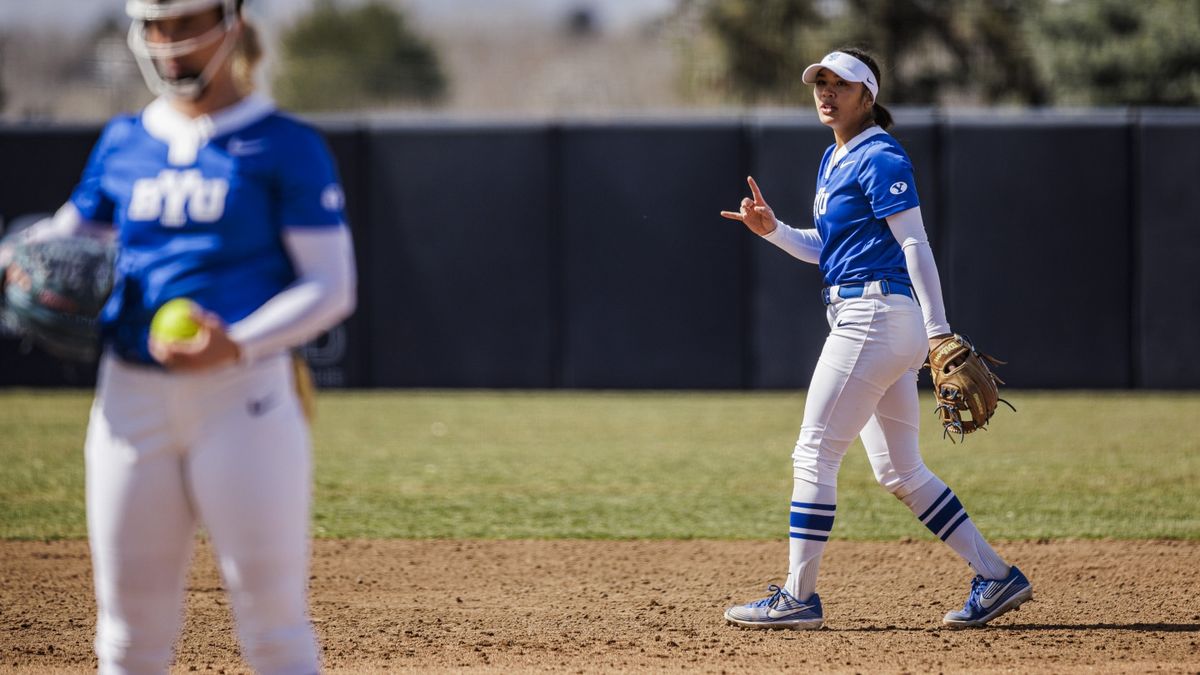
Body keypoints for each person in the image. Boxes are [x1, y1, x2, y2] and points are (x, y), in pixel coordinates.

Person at [1, 0, 356, 671]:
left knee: (273, 625)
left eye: (186, 23)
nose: (169, 44)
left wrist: (239, 343)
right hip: (129, 401)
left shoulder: (285, 145)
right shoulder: (124, 142)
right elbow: (63, 235)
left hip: (244, 397)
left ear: (233, 21)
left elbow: (331, 286)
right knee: (128, 633)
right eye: (157, 27)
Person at [718, 48, 1031, 630]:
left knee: (813, 451)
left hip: (876, 317)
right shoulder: (834, 158)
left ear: (869, 94)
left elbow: (914, 243)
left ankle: (797, 597)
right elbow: (829, 252)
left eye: (841, 84)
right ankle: (995, 576)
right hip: (871, 317)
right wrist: (774, 231)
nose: (826, 92)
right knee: (899, 470)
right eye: (821, 83)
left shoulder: (881, 154)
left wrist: (938, 329)